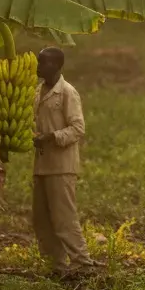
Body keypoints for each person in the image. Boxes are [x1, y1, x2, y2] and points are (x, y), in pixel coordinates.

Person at [31, 46, 94, 276]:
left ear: (56, 66)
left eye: (42, 62)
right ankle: (56, 265)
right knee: (42, 220)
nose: (37, 66)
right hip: (42, 165)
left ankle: (83, 263)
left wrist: (53, 136)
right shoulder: (38, 92)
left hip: (61, 166)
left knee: (64, 218)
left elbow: (78, 128)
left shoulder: (68, 92)